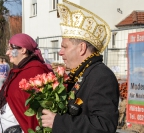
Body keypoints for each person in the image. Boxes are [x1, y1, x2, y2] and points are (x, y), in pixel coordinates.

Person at [41, 1, 119, 133]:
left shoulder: (101, 76)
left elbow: (104, 125)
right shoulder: (81, 73)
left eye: (64, 46)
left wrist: (58, 122)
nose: (60, 52)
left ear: (81, 48)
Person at [0, 33, 52, 133]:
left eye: (11, 49)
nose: (8, 53)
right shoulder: (16, 71)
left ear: (23, 50)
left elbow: (37, 109)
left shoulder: (36, 71)